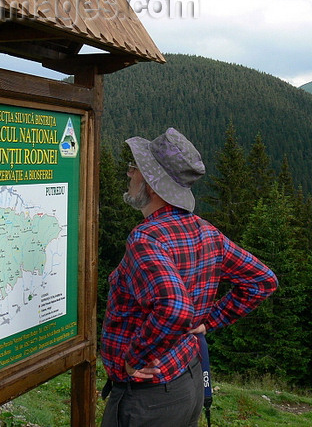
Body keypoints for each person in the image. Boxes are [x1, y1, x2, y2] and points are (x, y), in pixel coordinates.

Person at [100, 127, 278, 427]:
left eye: (135, 168)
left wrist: (135, 358)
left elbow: (175, 308)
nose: (129, 174)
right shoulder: (204, 229)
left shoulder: (147, 239)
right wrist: (209, 321)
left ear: (152, 185)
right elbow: (262, 279)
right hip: (188, 380)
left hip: (148, 399)